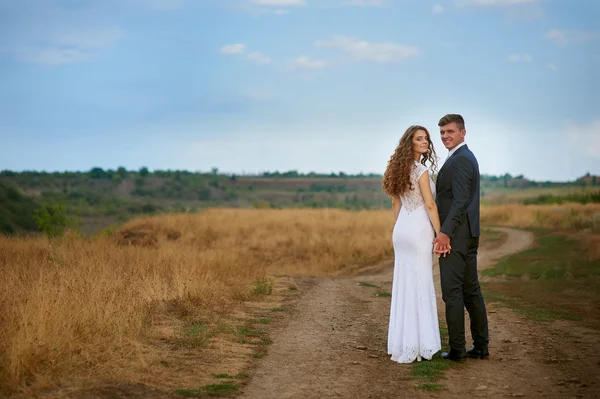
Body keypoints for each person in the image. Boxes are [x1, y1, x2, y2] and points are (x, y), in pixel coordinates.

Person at [383, 125, 442, 363]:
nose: (425, 142)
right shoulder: (420, 171)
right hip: (418, 230)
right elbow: (430, 205)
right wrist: (440, 234)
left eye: (426, 138)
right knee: (420, 282)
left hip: (402, 230)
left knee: (404, 283)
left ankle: (403, 343)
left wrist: (401, 228)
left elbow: (396, 205)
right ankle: (420, 344)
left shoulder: (396, 170)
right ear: (410, 143)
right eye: (419, 139)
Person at [433, 114, 489, 362]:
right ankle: (480, 346)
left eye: (450, 132)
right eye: (442, 132)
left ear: (463, 133)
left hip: (457, 236)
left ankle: (457, 349)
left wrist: (445, 233)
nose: (445, 136)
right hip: (466, 234)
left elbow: (460, 201)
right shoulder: (460, 157)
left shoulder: (462, 159)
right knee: (470, 290)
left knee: (452, 292)